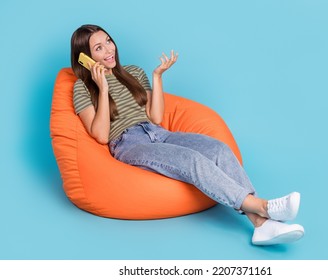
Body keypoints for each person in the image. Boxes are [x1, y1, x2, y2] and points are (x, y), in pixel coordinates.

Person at [70, 24, 305, 246]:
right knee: (191, 160)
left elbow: (156, 117)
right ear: (85, 56)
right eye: (98, 48)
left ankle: (261, 225)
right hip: (129, 144)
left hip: (158, 133)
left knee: (218, 149)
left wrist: (157, 76)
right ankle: (262, 206)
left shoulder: (133, 72)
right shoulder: (82, 87)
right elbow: (100, 135)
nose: (108, 50)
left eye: (108, 41)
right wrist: (102, 89)